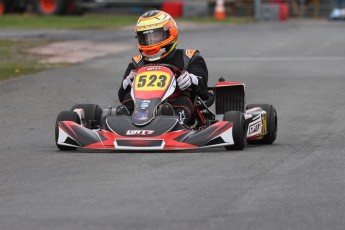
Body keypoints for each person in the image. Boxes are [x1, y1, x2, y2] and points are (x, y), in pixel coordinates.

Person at [117, 10, 209, 125]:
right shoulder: (137, 63)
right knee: (128, 99)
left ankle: (172, 121)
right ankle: (124, 122)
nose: (150, 42)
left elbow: (204, 92)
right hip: (142, 106)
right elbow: (121, 96)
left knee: (184, 100)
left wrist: (192, 80)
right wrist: (127, 83)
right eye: (146, 38)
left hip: (175, 104)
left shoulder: (189, 58)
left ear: (170, 32)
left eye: (155, 37)